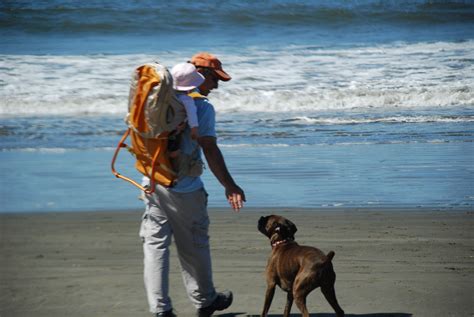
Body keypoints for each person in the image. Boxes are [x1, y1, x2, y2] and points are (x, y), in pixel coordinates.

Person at [139, 52, 246, 317]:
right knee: (195, 244)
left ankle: (161, 310)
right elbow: (209, 148)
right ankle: (205, 299)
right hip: (184, 187)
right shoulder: (202, 107)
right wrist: (230, 185)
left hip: (151, 180)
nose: (217, 85)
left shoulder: (155, 98)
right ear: (201, 75)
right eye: (214, 78)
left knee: (155, 245)